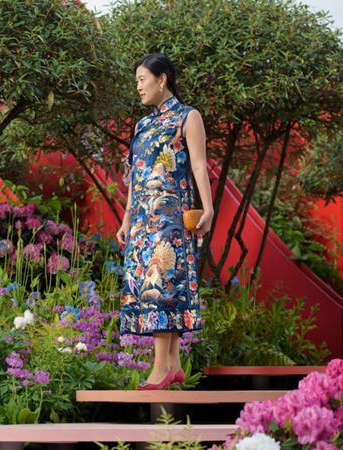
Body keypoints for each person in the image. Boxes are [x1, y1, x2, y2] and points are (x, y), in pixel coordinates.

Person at [115, 53, 213, 390]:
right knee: (150, 286)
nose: (139, 87)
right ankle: (172, 364)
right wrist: (127, 219)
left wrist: (208, 209)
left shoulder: (188, 117)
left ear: (162, 79)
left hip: (170, 218)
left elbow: (199, 167)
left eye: (143, 79)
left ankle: (160, 368)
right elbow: (136, 176)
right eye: (137, 81)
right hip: (142, 221)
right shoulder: (143, 125)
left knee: (162, 286)